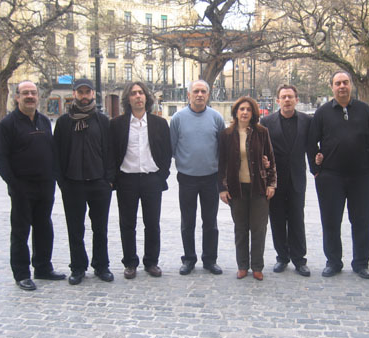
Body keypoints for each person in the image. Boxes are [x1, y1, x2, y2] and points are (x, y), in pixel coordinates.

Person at [308, 70, 369, 279]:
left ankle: (361, 263)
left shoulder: (364, 110)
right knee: (331, 221)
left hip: (362, 177)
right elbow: (311, 143)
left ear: (351, 86)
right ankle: (333, 261)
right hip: (331, 177)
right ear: (332, 87)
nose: (342, 86)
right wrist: (316, 170)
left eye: (345, 82)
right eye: (338, 83)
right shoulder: (322, 113)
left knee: (362, 221)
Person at [0, 81, 65, 291]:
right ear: (17, 97)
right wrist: (14, 184)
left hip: (45, 186)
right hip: (21, 188)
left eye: (33, 93)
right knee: (20, 231)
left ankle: (43, 267)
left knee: (44, 228)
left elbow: (52, 151)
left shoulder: (44, 121)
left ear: (38, 97)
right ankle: (22, 273)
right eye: (25, 93)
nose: (29, 96)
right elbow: (1, 158)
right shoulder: (7, 125)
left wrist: (54, 177)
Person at [54, 78, 114, 285]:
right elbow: (57, 154)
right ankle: (78, 267)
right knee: (75, 229)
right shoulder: (63, 122)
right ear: (75, 94)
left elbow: (110, 152)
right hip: (73, 183)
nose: (84, 95)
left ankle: (101, 265)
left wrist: (109, 180)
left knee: (100, 228)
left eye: (87, 92)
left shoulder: (103, 121)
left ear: (93, 94)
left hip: (99, 183)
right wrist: (62, 182)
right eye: (80, 92)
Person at [110, 82, 171, 279]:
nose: (138, 96)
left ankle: (151, 262)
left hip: (151, 179)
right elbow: (111, 153)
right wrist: (114, 178)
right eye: (134, 93)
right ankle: (130, 263)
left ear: (147, 97)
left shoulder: (159, 124)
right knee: (127, 224)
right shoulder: (117, 124)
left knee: (152, 223)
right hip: (126, 179)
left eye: (141, 93)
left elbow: (166, 153)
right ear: (128, 99)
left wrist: (162, 175)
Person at [170, 79, 225, 275]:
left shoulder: (216, 118)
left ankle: (210, 260)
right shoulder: (178, 118)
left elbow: (222, 147)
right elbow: (173, 146)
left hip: (211, 177)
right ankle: (189, 259)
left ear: (208, 95)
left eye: (203, 91)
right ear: (189, 95)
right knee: (188, 221)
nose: (199, 95)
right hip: (187, 178)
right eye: (196, 91)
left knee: (210, 221)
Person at [218, 97, 276, 281]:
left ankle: (257, 266)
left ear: (253, 113)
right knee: (240, 229)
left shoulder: (261, 132)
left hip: (259, 187)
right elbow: (221, 163)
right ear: (236, 112)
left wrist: (271, 184)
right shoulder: (227, 134)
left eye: (248, 110)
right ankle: (242, 265)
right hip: (237, 189)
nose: (244, 112)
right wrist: (222, 188)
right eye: (241, 109)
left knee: (259, 228)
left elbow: (271, 160)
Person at [261, 84, 312, 277]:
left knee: (297, 219)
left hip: (297, 178)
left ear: (296, 100)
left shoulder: (307, 121)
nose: (287, 100)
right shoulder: (267, 121)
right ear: (278, 100)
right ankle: (282, 257)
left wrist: (318, 167)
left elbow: (312, 146)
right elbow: (261, 147)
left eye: (291, 97)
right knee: (277, 218)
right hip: (275, 179)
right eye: (284, 97)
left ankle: (300, 259)